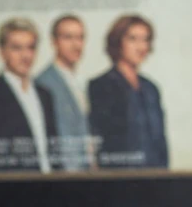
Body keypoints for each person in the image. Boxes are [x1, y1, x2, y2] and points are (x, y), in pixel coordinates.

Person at [0, 18, 59, 173]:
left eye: (30, 47)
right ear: (1, 52)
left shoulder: (45, 95)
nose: (25, 55)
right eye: (17, 48)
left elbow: (53, 149)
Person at [88, 15, 168, 169]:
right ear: (118, 42)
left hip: (155, 174)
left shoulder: (151, 88)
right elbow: (102, 143)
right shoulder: (101, 86)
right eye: (133, 39)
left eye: (145, 39)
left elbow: (161, 141)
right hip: (121, 174)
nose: (141, 47)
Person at [35, 14, 92, 171]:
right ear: (54, 41)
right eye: (68, 37)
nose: (76, 45)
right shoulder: (43, 83)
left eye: (80, 38)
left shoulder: (82, 81)